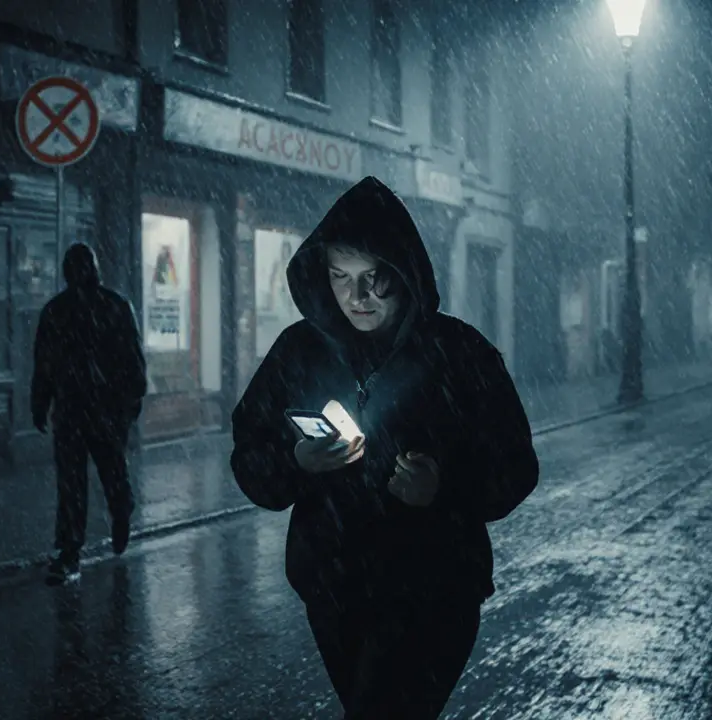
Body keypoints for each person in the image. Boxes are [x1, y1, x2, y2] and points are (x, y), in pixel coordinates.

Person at [230, 176, 539, 718]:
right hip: (334, 590)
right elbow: (249, 452)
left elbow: (516, 467)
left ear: (405, 273)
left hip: (436, 591)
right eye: (341, 277)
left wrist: (444, 488)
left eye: (375, 279)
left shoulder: (460, 352)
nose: (358, 297)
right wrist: (294, 462)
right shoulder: (298, 352)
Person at [32, 243, 148, 586]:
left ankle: (117, 513)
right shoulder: (63, 311)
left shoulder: (106, 308)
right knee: (75, 483)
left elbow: (132, 360)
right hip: (79, 412)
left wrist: (130, 399)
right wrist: (41, 402)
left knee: (104, 474)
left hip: (100, 411)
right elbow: (45, 364)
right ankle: (70, 550)